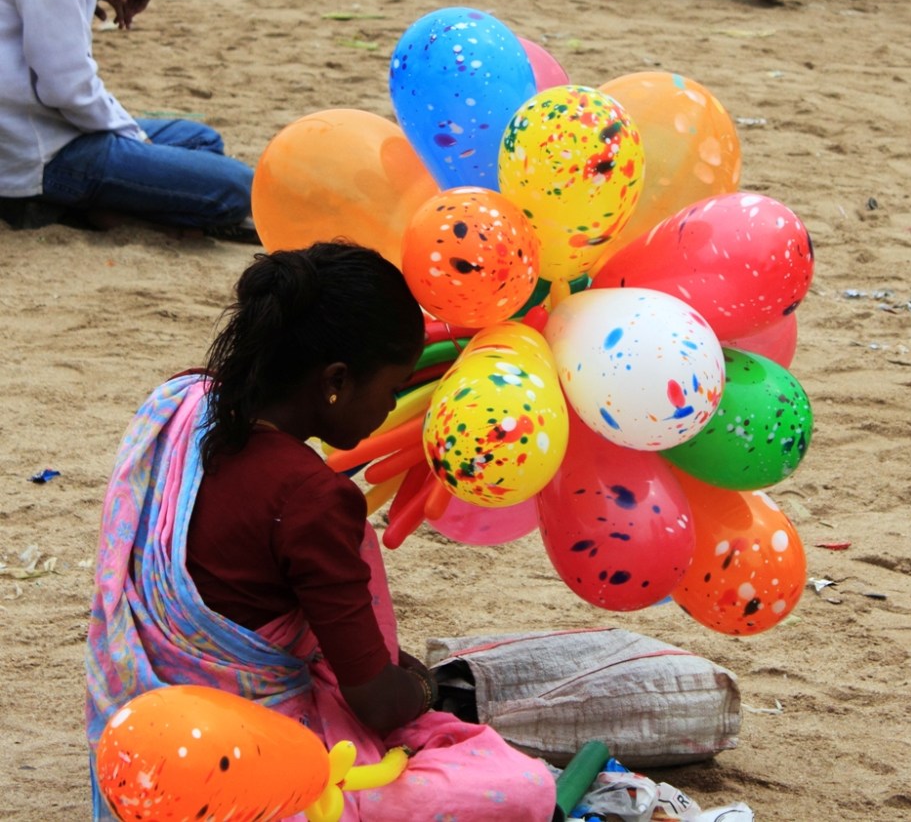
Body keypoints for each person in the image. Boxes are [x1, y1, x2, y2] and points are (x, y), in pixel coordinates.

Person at [85, 241, 557, 821]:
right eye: (391, 389)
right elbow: (377, 703)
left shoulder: (179, 406)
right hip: (243, 763)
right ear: (336, 380)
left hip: (142, 738)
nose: (390, 408)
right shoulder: (311, 497)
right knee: (521, 786)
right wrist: (424, 689)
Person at [0, 0, 257, 240]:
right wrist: (133, 134)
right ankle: (98, 211)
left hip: (38, 127)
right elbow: (66, 89)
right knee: (238, 189)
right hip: (38, 151)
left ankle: (105, 204)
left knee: (201, 139)